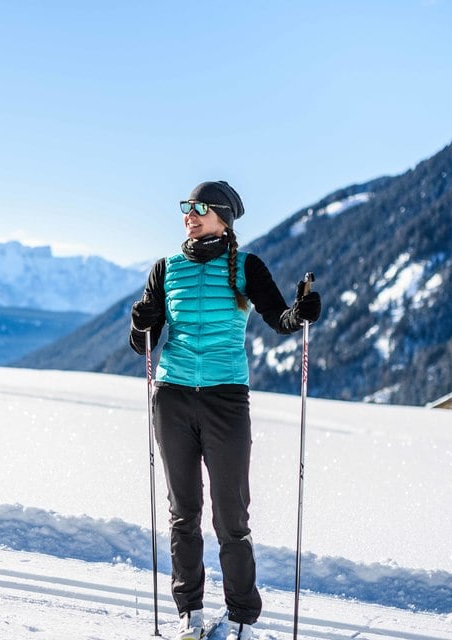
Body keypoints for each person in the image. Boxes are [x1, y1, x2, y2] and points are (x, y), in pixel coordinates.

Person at [128, 181, 320, 640]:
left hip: (226, 400)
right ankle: (189, 614)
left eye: (200, 208)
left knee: (231, 516)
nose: (190, 216)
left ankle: (239, 619)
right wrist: (140, 325)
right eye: (186, 208)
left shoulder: (246, 267)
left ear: (222, 218)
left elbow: (281, 320)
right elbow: (144, 346)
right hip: (172, 398)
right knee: (183, 513)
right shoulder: (165, 269)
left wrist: (303, 311)